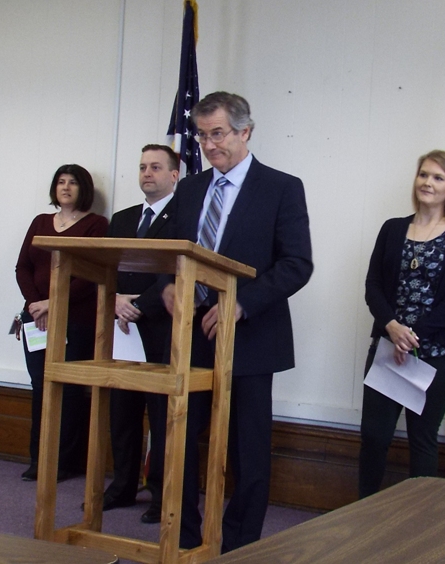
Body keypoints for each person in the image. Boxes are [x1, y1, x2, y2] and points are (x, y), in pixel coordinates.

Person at [159, 92, 313, 551]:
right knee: (180, 440)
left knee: (247, 451)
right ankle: (185, 540)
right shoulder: (189, 188)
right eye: (202, 135)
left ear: (245, 132)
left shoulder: (281, 187)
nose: (209, 145)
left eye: (218, 134)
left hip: (250, 337)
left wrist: (241, 304)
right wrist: (166, 286)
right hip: (192, 336)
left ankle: (240, 546)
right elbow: (173, 253)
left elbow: (297, 264)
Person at [359, 150, 445, 498]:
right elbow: (373, 286)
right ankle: (361, 514)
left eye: (438, 177)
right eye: (423, 174)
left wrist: (412, 335)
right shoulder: (393, 228)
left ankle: (421, 521)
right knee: (374, 435)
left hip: (440, 354)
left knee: (423, 437)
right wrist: (392, 327)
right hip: (389, 347)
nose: (428, 182)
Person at [15, 164, 108, 481]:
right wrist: (35, 305)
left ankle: (64, 463)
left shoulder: (97, 224)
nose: (66, 187)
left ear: (84, 189)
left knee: (68, 391)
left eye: (73, 183)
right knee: (40, 386)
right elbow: (23, 267)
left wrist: (52, 303)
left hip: (75, 319)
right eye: (61, 182)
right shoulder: (40, 222)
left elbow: (92, 275)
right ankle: (38, 459)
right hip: (36, 319)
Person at [104, 144, 179, 524]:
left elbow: (178, 271)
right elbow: (105, 267)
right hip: (122, 326)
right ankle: (122, 486)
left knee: (161, 415)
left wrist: (142, 305)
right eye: (142, 167)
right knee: (122, 410)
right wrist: (115, 299)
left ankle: (160, 494)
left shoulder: (184, 216)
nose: (147, 173)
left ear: (174, 175)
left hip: (162, 326)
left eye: (155, 167)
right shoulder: (122, 218)